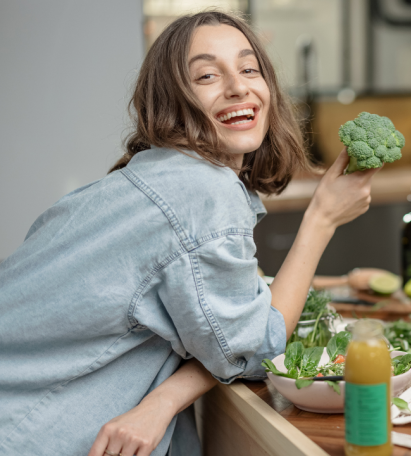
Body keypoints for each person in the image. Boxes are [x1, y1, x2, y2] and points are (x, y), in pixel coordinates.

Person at [0, 11, 380, 456]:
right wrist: (322, 218)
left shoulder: (147, 180)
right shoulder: (201, 191)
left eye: (248, 68)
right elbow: (252, 348)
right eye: (206, 75)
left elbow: (217, 326)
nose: (238, 86)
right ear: (173, 101)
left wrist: (165, 398)